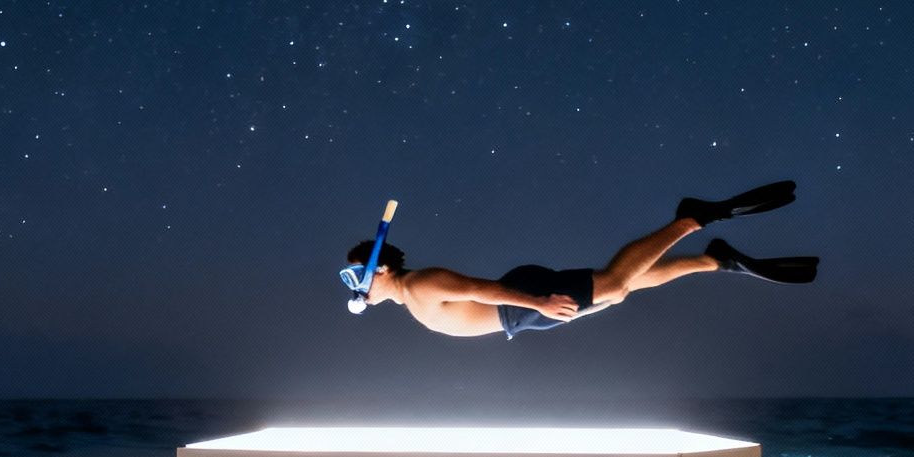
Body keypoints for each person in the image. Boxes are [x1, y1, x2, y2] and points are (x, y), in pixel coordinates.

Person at [339, 181, 818, 339]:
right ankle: (716, 261)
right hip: (521, 315)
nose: (354, 287)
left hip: (522, 303)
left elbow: (480, 290)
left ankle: (691, 221)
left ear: (379, 268)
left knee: (612, 285)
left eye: (355, 276)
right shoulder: (409, 297)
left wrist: (540, 303)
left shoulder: (422, 283)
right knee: (621, 289)